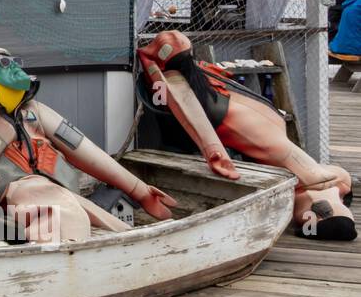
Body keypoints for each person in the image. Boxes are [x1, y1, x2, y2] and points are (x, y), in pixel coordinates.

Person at [0, 48, 176, 243]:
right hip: (17, 195)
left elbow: (83, 149)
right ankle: (62, 254)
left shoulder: (35, 114)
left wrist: (140, 191)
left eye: (15, 65)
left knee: (104, 218)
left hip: (55, 190)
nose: (14, 71)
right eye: (3, 67)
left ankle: (139, 242)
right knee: (62, 212)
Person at [139, 30, 354, 240]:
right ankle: (330, 201)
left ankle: (327, 209)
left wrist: (214, 152)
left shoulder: (181, 82)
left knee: (319, 187)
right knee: (328, 181)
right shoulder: (193, 78)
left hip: (276, 147)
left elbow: (185, 104)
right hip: (272, 136)